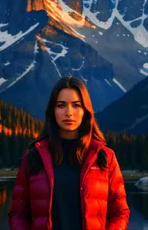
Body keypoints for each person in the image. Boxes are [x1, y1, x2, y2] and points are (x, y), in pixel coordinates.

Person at [8, 76, 130, 230]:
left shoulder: (105, 157)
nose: (69, 112)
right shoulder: (33, 157)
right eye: (61, 105)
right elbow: (17, 214)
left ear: (85, 110)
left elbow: (120, 212)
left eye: (76, 105)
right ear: (53, 110)